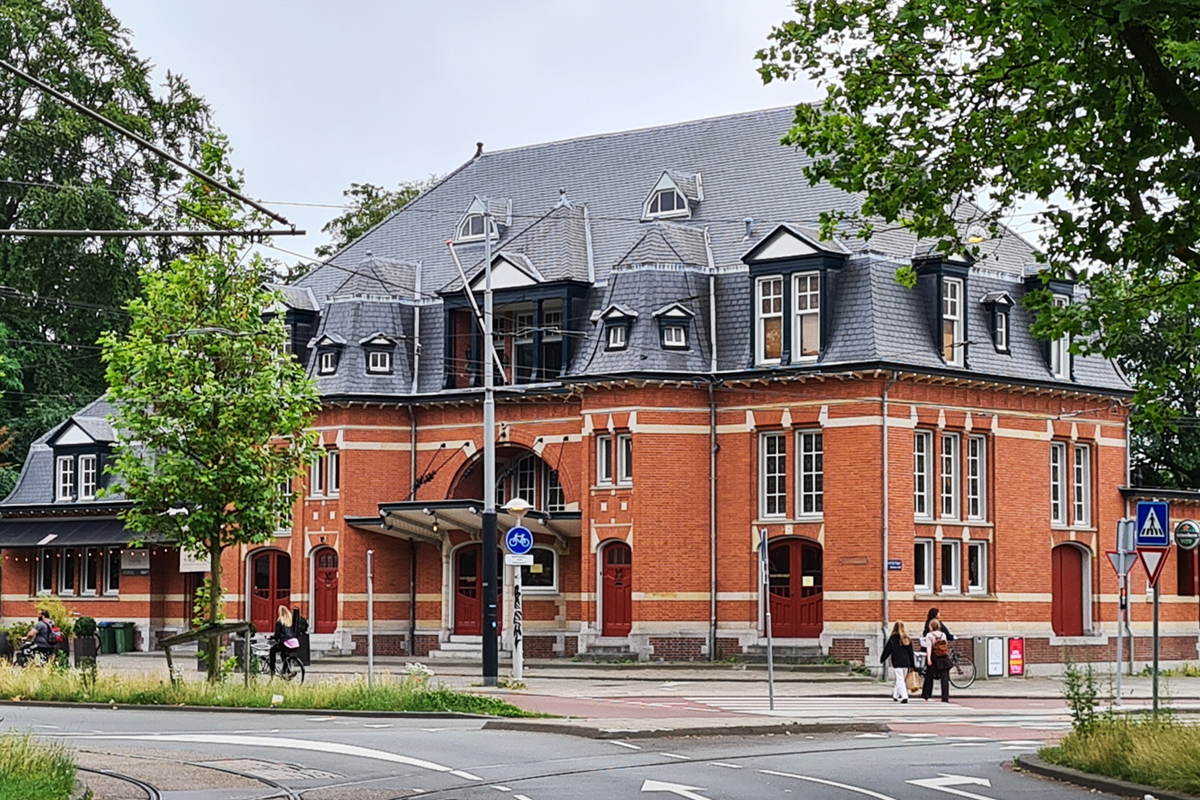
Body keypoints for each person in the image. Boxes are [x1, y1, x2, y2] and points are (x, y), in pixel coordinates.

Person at [880, 621, 915, 703]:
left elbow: (887, 650)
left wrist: (882, 658)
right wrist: (912, 664)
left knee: (900, 679)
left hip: (897, 662)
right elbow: (911, 653)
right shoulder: (907, 639)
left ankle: (904, 696)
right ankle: (895, 695)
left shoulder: (893, 638)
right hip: (906, 663)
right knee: (901, 679)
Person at [922, 618, 951, 702]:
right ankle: (945, 697)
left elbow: (929, 647)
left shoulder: (929, 635)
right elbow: (945, 645)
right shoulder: (943, 635)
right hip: (943, 657)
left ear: (931, 626)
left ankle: (926, 695)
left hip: (934, 657)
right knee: (944, 678)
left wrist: (928, 658)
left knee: (929, 676)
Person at [268, 604, 297, 675]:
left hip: (285, 642)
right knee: (284, 655)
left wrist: (271, 637)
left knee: (272, 650)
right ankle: (286, 671)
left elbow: (277, 635)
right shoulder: (290, 621)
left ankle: (272, 669)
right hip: (293, 642)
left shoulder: (280, 621)